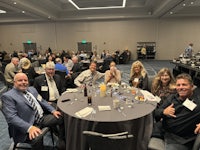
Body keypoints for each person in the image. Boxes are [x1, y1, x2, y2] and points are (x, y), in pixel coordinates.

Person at [1, 73, 65, 150]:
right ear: (14, 82)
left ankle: (61, 142)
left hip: (41, 118)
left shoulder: (32, 89)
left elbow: (42, 101)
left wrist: (52, 110)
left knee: (60, 117)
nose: (23, 82)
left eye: (25, 80)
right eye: (20, 80)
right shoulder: (8, 96)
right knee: (37, 138)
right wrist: (29, 128)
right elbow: (11, 117)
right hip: (26, 125)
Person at [154, 73, 200, 150]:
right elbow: (156, 113)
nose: (181, 87)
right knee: (139, 136)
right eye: (178, 85)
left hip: (180, 140)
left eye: (184, 85)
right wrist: (164, 112)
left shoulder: (198, 101)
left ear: (192, 87)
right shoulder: (172, 98)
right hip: (162, 130)